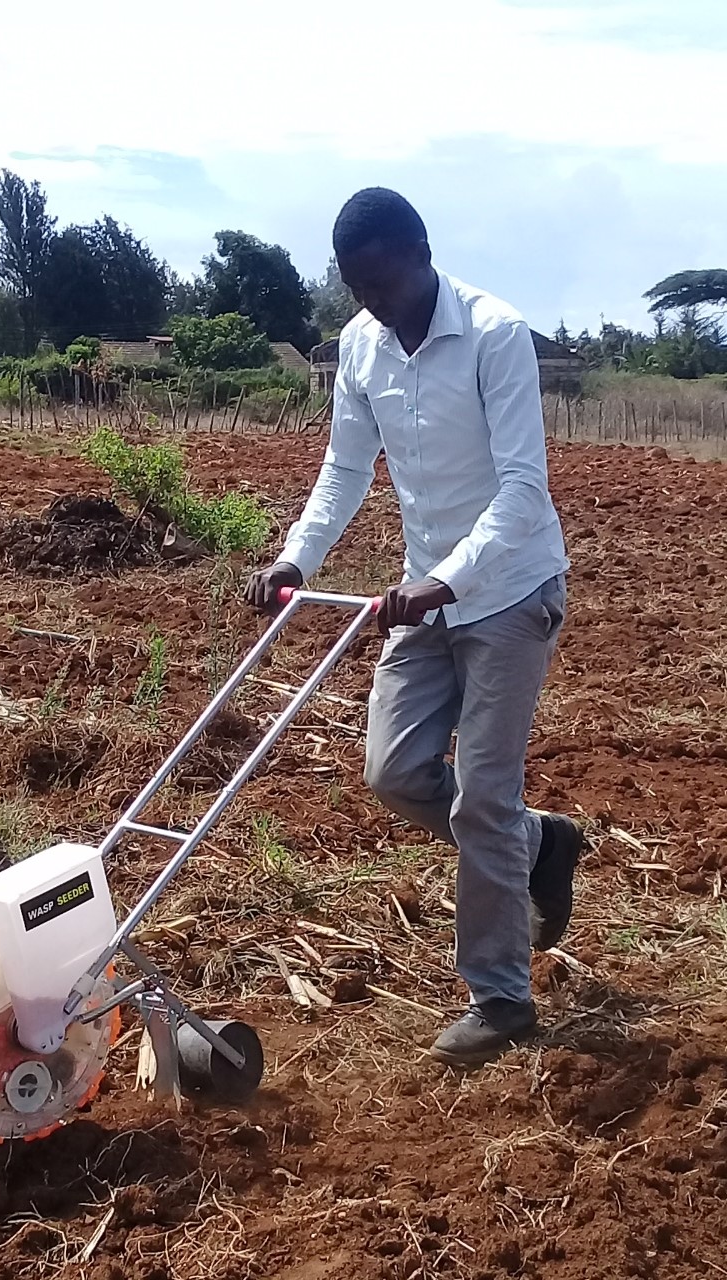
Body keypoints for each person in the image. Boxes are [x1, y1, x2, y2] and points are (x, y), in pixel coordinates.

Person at [245, 187, 584, 1068]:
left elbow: (521, 491)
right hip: (425, 592)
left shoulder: (495, 334)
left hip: (508, 591)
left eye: (384, 286)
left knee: (482, 797)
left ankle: (502, 999)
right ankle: (538, 844)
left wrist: (443, 581)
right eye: (358, 290)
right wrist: (297, 560)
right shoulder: (360, 347)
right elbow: (345, 469)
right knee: (392, 771)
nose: (375, 306)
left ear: (421, 254)